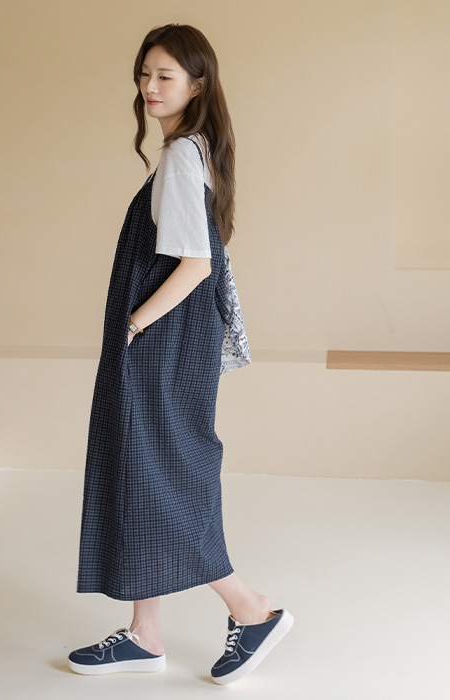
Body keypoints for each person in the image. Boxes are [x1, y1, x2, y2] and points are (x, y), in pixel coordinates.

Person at [68, 23, 293, 685]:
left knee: (160, 472)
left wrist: (134, 323)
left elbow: (196, 263)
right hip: (175, 338)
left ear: (197, 85)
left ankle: (251, 609)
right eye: (144, 74)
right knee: (148, 469)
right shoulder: (193, 151)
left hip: (162, 339)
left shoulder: (182, 156)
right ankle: (145, 633)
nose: (149, 87)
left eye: (164, 76)